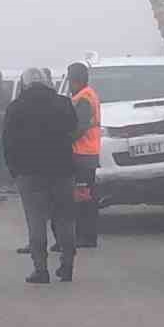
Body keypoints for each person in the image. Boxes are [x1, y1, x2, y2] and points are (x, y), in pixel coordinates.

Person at [2, 68, 79, 283]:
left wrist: (13, 171)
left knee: (36, 220)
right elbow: (74, 130)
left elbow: (7, 143)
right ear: (47, 83)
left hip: (29, 173)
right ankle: (67, 266)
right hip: (63, 170)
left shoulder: (16, 108)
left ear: (25, 83)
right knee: (65, 219)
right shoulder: (63, 103)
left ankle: (41, 269)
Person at [66, 62, 102, 248]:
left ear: (75, 79)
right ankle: (85, 235)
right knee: (84, 196)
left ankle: (86, 237)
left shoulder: (84, 97)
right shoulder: (85, 94)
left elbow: (80, 126)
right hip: (87, 152)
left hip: (83, 153)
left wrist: (65, 141)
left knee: (84, 197)